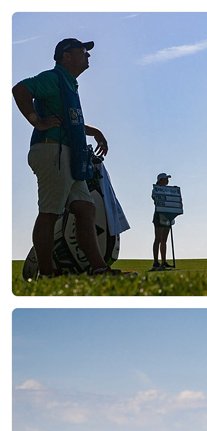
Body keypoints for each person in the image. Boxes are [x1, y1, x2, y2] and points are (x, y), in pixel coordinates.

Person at [13, 37, 122, 278]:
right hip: (52, 150)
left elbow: (70, 122)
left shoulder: (69, 84)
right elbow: (20, 90)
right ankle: (47, 272)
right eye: (83, 51)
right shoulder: (52, 78)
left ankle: (99, 269)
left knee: (86, 209)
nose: (88, 56)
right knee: (50, 213)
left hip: (69, 155)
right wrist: (36, 121)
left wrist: (95, 132)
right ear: (67, 56)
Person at [150, 173, 177, 271]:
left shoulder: (169, 190)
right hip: (159, 215)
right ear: (161, 180)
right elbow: (155, 199)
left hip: (168, 216)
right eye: (166, 179)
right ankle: (156, 262)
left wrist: (174, 191)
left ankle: (164, 262)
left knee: (164, 240)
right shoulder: (156, 190)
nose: (167, 180)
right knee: (158, 239)